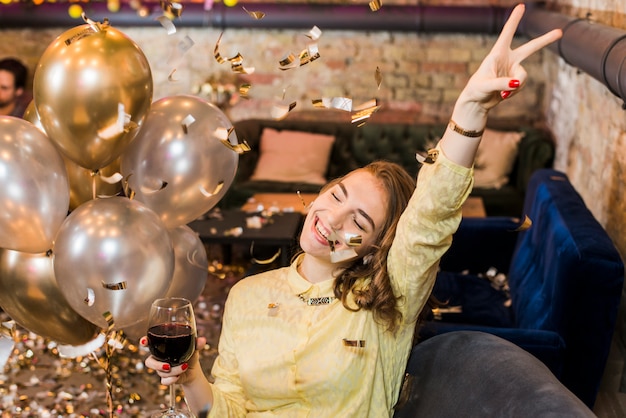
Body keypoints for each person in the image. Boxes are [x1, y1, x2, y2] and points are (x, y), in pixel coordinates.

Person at [143, 4, 562, 417]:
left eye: (360, 222)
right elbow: (228, 407)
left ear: (377, 248)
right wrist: (192, 373)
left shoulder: (384, 304)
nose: (334, 219)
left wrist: (470, 109)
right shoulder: (246, 295)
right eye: (338, 195)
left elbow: (430, 217)